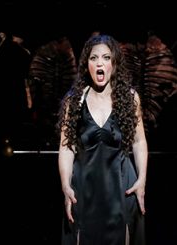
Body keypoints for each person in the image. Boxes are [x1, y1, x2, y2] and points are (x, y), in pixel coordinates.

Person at [57, 34, 148, 245]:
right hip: (85, 191)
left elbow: (139, 142)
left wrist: (142, 180)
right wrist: (65, 185)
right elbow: (66, 147)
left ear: (114, 63)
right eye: (94, 58)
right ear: (86, 64)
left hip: (120, 189)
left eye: (106, 57)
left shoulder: (129, 97)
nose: (100, 63)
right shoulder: (75, 100)